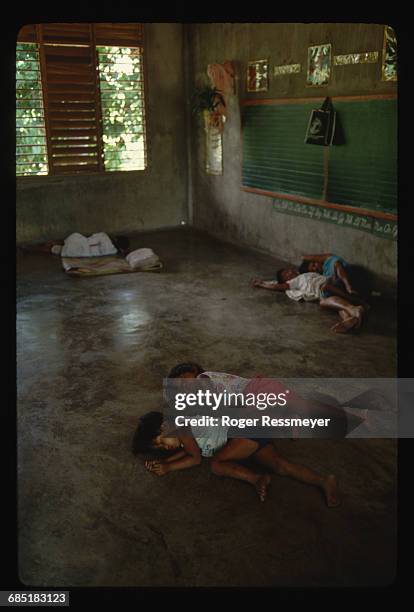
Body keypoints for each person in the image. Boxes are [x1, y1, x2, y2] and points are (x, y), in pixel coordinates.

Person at [133, 362, 340, 507]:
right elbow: (187, 450)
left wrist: (168, 466)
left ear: (164, 426)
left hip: (246, 427)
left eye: (160, 442)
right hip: (244, 433)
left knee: (216, 464)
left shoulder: (182, 425)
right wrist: (166, 460)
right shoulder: (182, 432)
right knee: (279, 465)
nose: (164, 448)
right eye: (161, 449)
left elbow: (194, 458)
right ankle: (324, 481)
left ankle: (256, 477)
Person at [251, 269, 366, 333]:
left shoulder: (307, 274)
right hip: (328, 288)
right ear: (286, 280)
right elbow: (278, 287)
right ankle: (349, 319)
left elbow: (277, 286)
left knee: (323, 301)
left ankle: (354, 309)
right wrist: (262, 284)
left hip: (326, 286)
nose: (289, 272)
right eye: (285, 274)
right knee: (338, 306)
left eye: (288, 270)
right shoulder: (294, 282)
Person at [20, 233, 130, 257]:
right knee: (54, 250)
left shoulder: (104, 237)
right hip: (79, 254)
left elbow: (91, 239)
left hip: (80, 245)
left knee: (72, 239)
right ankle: (31, 249)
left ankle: (30, 247)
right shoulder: (112, 252)